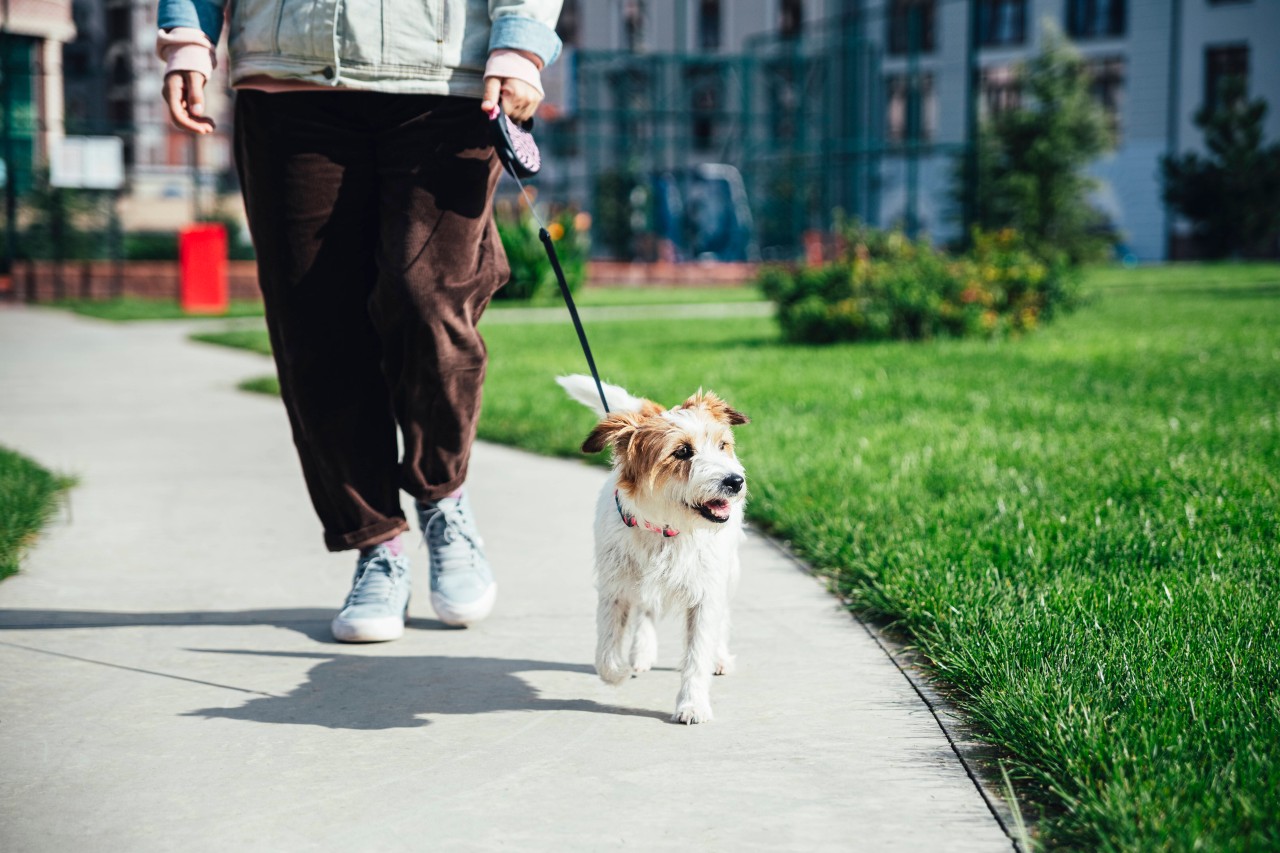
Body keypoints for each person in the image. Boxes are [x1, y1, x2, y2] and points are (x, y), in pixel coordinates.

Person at [157, 0, 563, 642]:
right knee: (315, 326)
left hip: (444, 78)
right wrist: (188, 36)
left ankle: (441, 494)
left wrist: (520, 46)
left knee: (428, 296)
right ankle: (377, 544)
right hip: (288, 79)